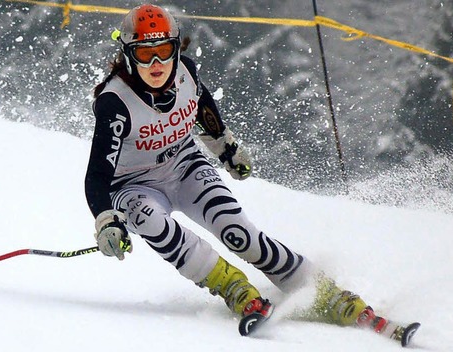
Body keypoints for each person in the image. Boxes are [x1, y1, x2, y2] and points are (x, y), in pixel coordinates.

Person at [84, 3, 387, 335]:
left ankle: (326, 292)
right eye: (145, 54)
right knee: (152, 223)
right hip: (134, 185)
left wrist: (224, 146)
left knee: (237, 232)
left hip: (184, 166)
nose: (157, 64)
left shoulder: (184, 70)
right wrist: (106, 220)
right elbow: (98, 175)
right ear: (128, 54)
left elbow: (200, 102)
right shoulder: (115, 102)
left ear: (176, 47)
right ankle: (232, 287)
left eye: (164, 51)